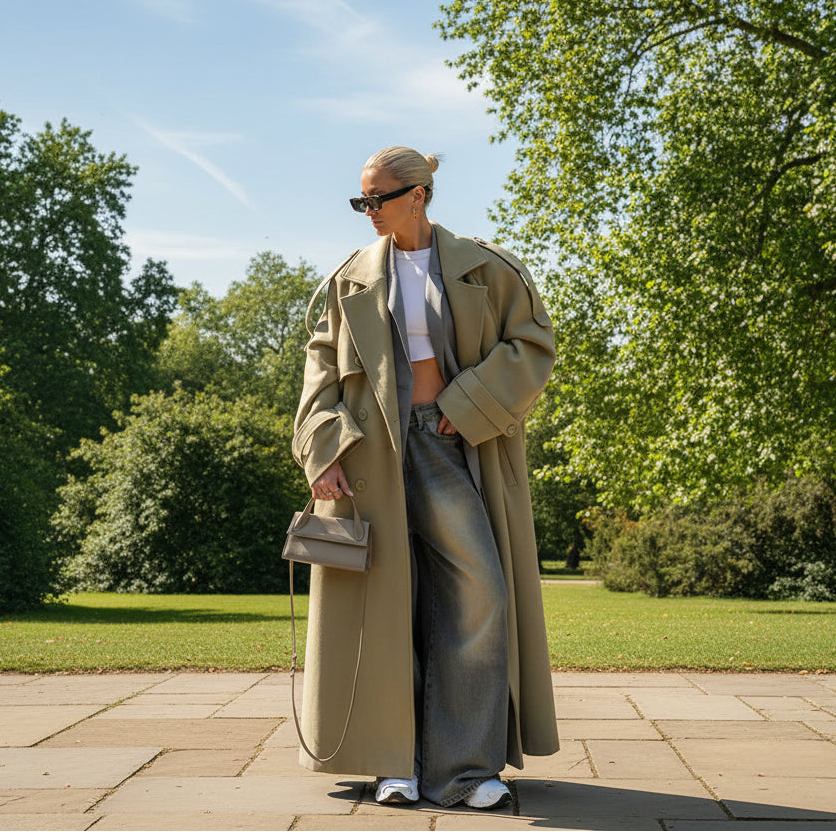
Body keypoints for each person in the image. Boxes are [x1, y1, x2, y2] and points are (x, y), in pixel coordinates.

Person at [291, 145, 559, 809]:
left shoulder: (486, 269)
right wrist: (322, 450)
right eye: (360, 200)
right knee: (383, 607)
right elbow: (319, 370)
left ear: (418, 194)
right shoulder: (346, 279)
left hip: (448, 444)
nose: (367, 212)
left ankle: (466, 770)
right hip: (367, 458)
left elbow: (531, 345)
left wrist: (463, 409)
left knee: (478, 594)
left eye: (376, 199)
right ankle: (393, 764)